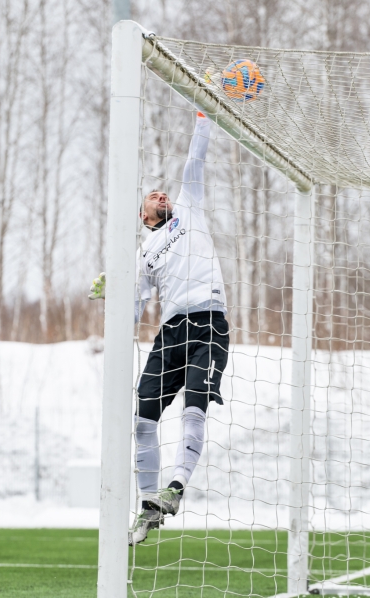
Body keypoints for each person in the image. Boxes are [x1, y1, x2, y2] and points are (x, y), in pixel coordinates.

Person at [89, 111, 230, 545]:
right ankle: (148, 506)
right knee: (142, 419)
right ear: (143, 215)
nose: (160, 194)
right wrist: (113, 294)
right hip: (169, 334)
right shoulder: (144, 254)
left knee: (194, 407)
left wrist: (204, 115)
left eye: (161, 192)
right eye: (151, 196)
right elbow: (132, 313)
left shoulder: (189, 209)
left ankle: (177, 486)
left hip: (209, 324)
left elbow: (196, 159)